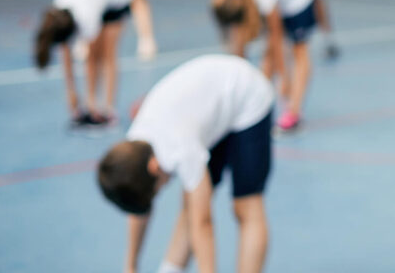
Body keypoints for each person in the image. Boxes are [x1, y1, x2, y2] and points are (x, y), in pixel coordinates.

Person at [97, 54, 274, 273]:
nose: (159, 191)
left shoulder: (180, 147)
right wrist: (130, 267)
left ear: (154, 167)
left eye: (156, 191)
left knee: (245, 206)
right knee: (190, 202)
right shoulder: (134, 150)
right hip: (208, 112)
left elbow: (203, 224)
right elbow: (139, 209)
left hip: (247, 96)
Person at [211, 0, 316, 132]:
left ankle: (293, 112)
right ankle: (256, 103)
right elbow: (239, 42)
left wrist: (285, 78)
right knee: (267, 53)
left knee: (299, 50)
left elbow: (277, 38)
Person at [35, 0, 135, 126]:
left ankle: (109, 109)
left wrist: (90, 104)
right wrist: (71, 91)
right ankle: (95, 105)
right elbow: (65, 52)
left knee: (107, 53)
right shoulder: (57, 14)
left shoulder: (86, 17)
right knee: (97, 55)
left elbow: (92, 58)